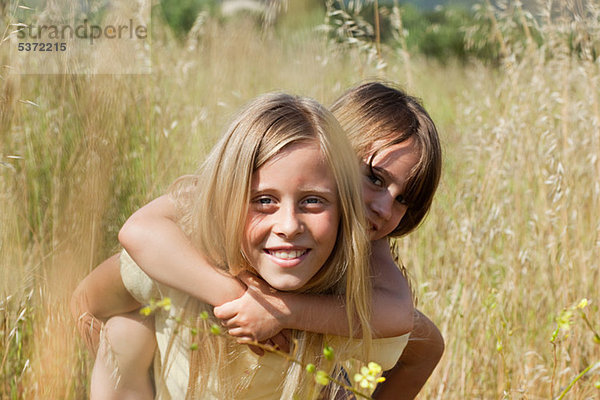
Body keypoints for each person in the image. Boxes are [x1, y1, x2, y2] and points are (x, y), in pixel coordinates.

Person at [116, 82, 445, 399]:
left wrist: (283, 313)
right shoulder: (246, 191)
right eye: (374, 178)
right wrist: (239, 296)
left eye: (404, 199)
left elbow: (407, 323)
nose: (385, 207)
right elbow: (138, 233)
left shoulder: (368, 248)